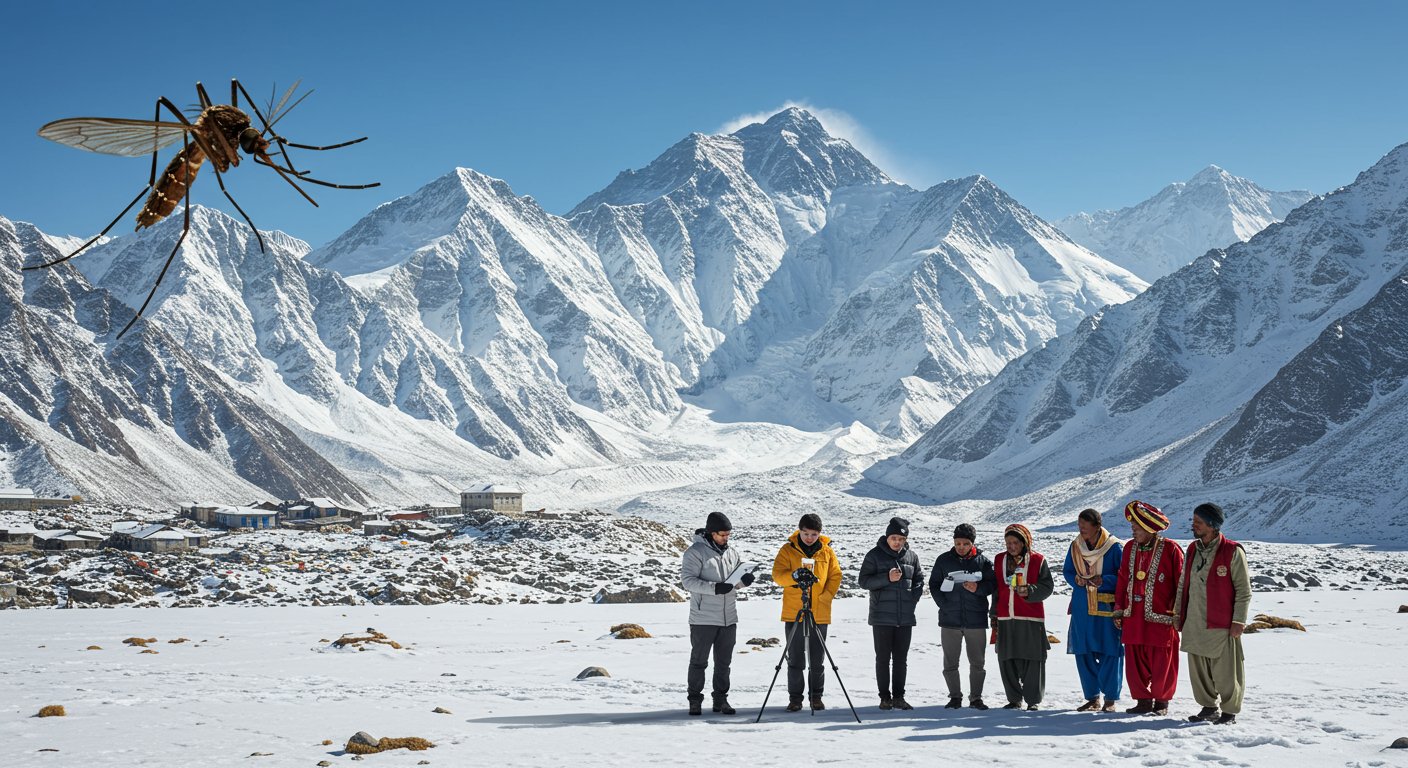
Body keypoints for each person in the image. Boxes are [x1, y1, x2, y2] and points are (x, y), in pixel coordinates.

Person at [1177, 502, 1251, 725]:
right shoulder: (1192, 549)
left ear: (1212, 525)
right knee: (1198, 670)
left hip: (1221, 623)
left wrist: (1239, 620)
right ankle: (1208, 707)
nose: (1194, 525)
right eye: (1194, 521)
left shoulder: (1232, 551)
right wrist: (1178, 614)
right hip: (1194, 620)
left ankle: (1229, 712)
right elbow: (1183, 584)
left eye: (1198, 522)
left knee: (1226, 671)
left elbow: (1243, 590)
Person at [680, 511, 755, 716]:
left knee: (724, 663)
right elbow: (688, 581)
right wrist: (715, 588)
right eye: (722, 534)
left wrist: (743, 582)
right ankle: (694, 700)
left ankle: (721, 700)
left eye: (728, 535)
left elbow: (733, 584)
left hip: (728, 617)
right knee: (699, 661)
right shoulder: (695, 552)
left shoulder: (732, 553)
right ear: (711, 533)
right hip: (703, 617)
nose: (726, 538)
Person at [1114, 499, 1184, 716]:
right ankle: (1143, 700)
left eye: (1136, 528)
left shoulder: (1171, 549)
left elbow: (1181, 583)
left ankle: (1162, 702)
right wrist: (1118, 609)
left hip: (1161, 616)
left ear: (1149, 528)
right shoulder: (1129, 548)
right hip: (1134, 615)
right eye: (1132, 528)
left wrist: (1178, 612)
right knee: (1135, 659)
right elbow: (1123, 579)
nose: (1133, 532)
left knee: (1162, 660)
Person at [771, 512, 843, 712]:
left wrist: (826, 597)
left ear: (819, 534)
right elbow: (777, 575)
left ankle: (816, 697)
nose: (809, 538)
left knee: (817, 658)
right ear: (799, 531)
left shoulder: (827, 552)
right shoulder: (788, 550)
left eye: (813, 534)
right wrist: (794, 576)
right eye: (805, 533)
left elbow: (835, 576)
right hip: (794, 611)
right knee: (795, 658)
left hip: (819, 612)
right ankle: (795, 698)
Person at [858, 516, 924, 710]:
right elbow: (864, 581)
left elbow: (919, 580)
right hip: (881, 617)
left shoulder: (911, 557)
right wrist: (886, 578)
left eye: (901, 539)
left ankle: (899, 697)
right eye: (894, 538)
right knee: (883, 659)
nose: (897, 542)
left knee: (901, 660)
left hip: (905, 617)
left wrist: (913, 599)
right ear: (887, 537)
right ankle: (884, 697)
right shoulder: (874, 556)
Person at [1063, 508, 1124, 712]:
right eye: (1079, 527)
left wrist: (1104, 580)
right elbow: (1068, 571)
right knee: (1084, 651)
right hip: (1082, 607)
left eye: (1085, 528)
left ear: (1098, 527)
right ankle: (1092, 697)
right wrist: (1076, 579)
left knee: (1110, 651)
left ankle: (1110, 699)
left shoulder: (1114, 548)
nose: (1081, 531)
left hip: (1105, 607)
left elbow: (1123, 577)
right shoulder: (1075, 547)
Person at [929, 522, 995, 710]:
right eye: (958, 543)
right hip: (950, 620)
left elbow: (992, 585)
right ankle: (955, 697)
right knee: (950, 662)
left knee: (978, 662)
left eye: (965, 543)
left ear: (972, 543)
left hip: (976, 620)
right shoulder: (943, 560)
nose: (961, 547)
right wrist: (944, 605)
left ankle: (976, 698)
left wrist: (978, 588)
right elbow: (934, 585)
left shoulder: (983, 562)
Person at [992, 523, 1054, 710]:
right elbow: (996, 589)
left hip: (1030, 618)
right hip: (1005, 617)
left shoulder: (1037, 560)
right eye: (1008, 542)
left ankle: (1033, 700)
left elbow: (1047, 587)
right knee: (1006, 658)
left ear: (1024, 542)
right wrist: (993, 613)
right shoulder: (999, 560)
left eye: (1015, 543)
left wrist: (1030, 591)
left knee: (1033, 659)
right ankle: (1014, 699)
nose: (1011, 546)